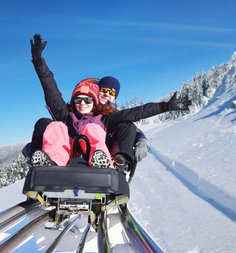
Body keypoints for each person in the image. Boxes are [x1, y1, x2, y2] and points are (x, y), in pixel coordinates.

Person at [29, 34, 191, 168]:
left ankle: (111, 161)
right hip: (65, 158)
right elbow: (50, 89)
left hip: (96, 157)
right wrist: (38, 60)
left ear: (94, 102)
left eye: (87, 100)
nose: (82, 103)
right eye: (78, 99)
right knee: (50, 124)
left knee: (98, 128)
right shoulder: (66, 116)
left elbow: (136, 113)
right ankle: (45, 163)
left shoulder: (106, 118)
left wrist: (165, 106)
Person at [97, 76, 149, 171]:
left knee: (126, 125)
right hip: (90, 150)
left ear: (114, 97)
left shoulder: (115, 113)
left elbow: (131, 128)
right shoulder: (86, 106)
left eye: (111, 92)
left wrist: (142, 139)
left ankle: (119, 162)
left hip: (109, 151)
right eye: (103, 90)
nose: (106, 94)